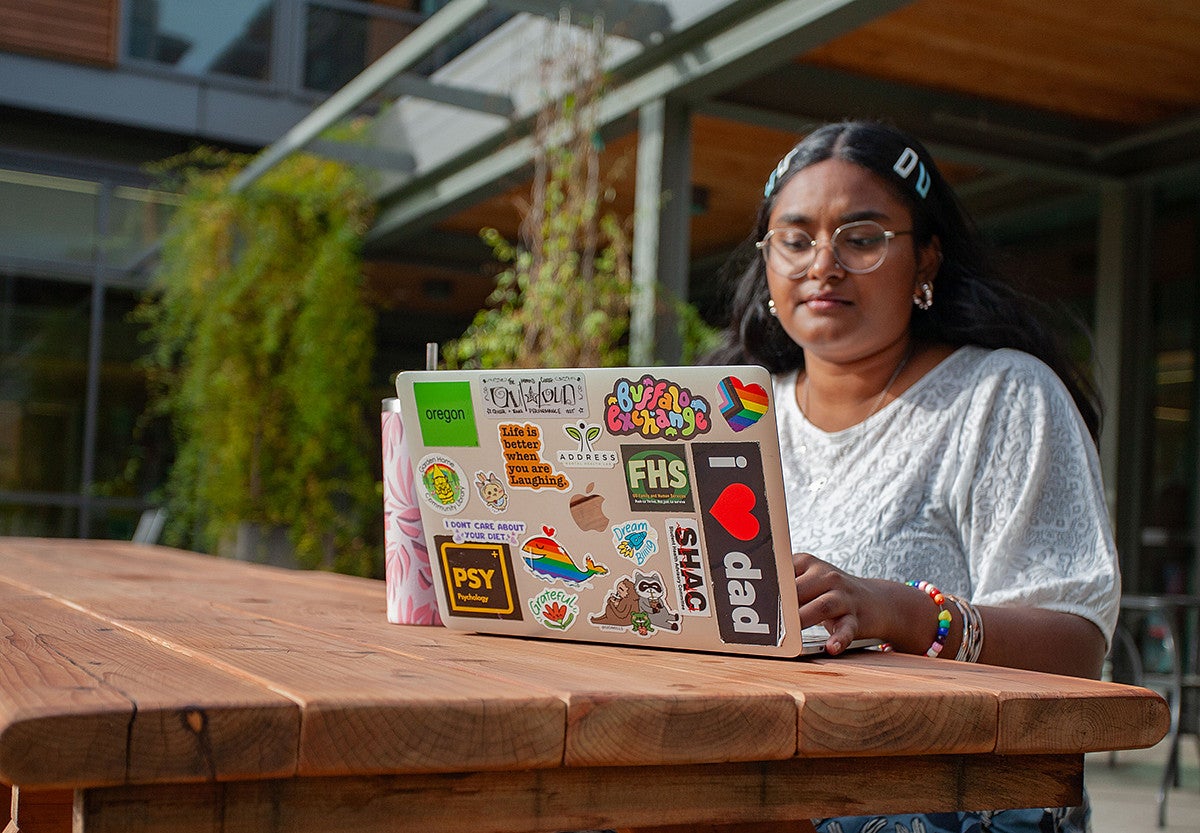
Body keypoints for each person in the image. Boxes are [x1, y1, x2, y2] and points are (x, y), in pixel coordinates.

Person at [708, 120, 1120, 833]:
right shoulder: (729, 411)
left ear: (927, 259)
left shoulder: (1001, 396)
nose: (823, 264)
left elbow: (1078, 646)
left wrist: (906, 613)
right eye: (796, 239)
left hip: (928, 793)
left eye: (862, 238)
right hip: (727, 765)